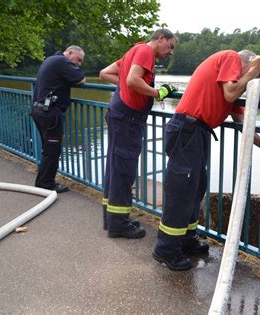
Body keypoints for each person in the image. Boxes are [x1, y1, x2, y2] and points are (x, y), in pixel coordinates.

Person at [153, 50, 260, 271]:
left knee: (196, 188)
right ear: (247, 62)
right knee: (181, 190)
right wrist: (252, 72)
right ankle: (165, 249)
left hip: (196, 132)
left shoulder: (232, 81)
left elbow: (243, 125)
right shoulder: (231, 57)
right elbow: (231, 93)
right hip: (187, 129)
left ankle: (187, 239)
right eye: (251, 69)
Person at [99, 29, 178, 239]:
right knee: (124, 170)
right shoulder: (145, 51)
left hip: (119, 114)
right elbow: (133, 80)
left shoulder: (135, 50)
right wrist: (158, 92)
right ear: (160, 38)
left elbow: (105, 73)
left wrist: (127, 87)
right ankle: (119, 225)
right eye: (170, 46)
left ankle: (112, 219)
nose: (170, 52)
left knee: (116, 167)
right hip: (128, 119)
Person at [31, 45, 86, 193]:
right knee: (52, 151)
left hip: (40, 110)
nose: (78, 64)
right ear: (69, 53)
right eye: (78, 60)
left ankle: (41, 183)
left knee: (48, 150)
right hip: (49, 113)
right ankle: (47, 185)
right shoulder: (61, 61)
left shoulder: (51, 59)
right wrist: (75, 75)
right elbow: (81, 78)